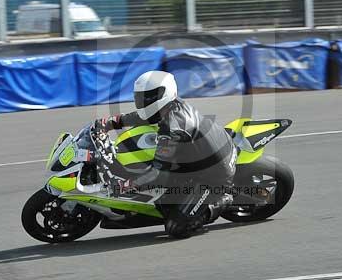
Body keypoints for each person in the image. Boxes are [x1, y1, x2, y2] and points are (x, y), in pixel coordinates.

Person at [94, 70, 236, 238]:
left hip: (213, 176)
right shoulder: (169, 106)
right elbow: (144, 117)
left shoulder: (173, 129)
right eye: (140, 97)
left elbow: (158, 175)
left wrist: (126, 185)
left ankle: (223, 199)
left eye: (147, 97)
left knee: (176, 227)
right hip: (196, 158)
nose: (142, 101)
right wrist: (111, 123)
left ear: (163, 95)